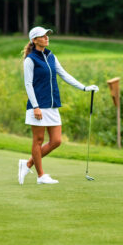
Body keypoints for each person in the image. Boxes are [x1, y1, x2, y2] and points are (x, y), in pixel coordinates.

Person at [19, 26, 98, 185]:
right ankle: (40, 176)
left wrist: (84, 87)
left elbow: (64, 74)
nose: (47, 37)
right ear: (34, 40)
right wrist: (35, 106)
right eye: (43, 36)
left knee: (56, 141)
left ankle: (27, 164)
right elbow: (28, 84)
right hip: (38, 106)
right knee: (38, 140)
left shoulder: (51, 56)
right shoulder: (30, 59)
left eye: (47, 35)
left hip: (53, 104)